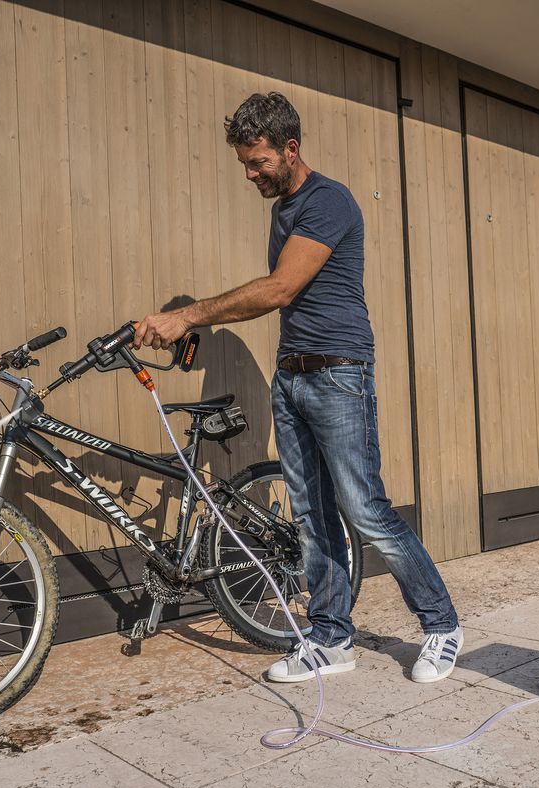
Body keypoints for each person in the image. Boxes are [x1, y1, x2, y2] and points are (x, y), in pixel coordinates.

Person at [133, 92, 463, 684]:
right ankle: (331, 639)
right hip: (293, 374)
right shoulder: (283, 207)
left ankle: (441, 624)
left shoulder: (328, 201)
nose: (250, 174)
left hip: (339, 372)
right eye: (244, 165)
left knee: (363, 507)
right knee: (312, 515)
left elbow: (281, 288)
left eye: (257, 162)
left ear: (291, 148)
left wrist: (190, 316)